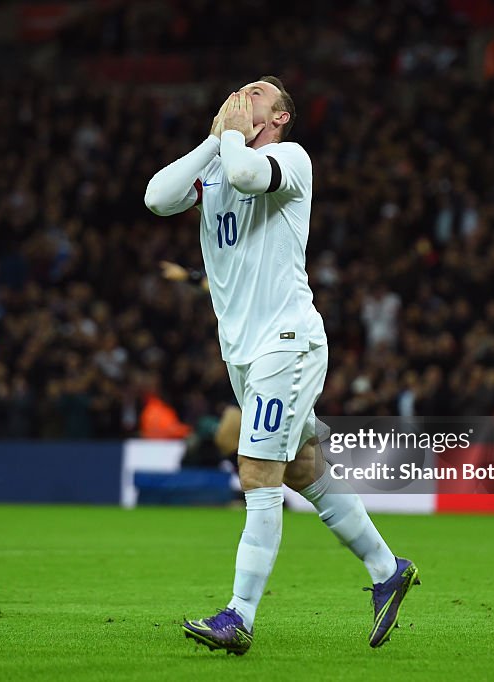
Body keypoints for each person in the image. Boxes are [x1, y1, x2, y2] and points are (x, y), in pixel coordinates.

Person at [145, 78, 418, 654]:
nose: (244, 94)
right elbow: (156, 197)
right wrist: (214, 140)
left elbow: (247, 176)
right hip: (243, 352)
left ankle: (238, 616)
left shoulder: (288, 158)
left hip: (286, 340)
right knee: (299, 467)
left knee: (257, 473)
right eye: (239, 90)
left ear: (281, 116)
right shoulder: (220, 162)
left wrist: (234, 142)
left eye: (259, 93)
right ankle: (386, 569)